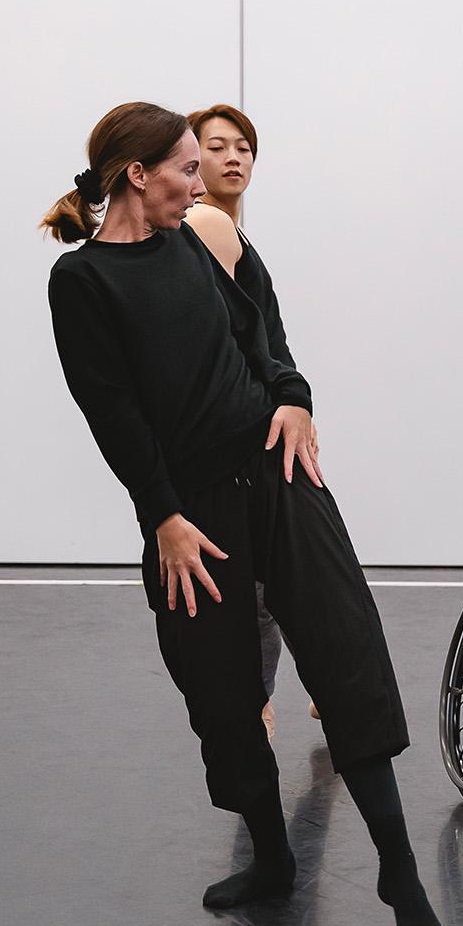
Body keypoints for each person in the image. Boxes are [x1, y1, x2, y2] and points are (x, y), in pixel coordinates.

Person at [42, 101, 439, 926]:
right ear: (136, 175)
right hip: (193, 513)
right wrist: (164, 519)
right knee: (222, 694)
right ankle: (271, 859)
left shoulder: (203, 238)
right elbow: (110, 414)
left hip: (278, 474)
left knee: (346, 656)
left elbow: (262, 328)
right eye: (187, 167)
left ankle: (398, 868)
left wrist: (293, 395)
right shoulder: (81, 283)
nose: (203, 181)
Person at [180, 102, 313, 740]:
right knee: (271, 573)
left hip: (264, 420)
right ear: (191, 158)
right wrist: (288, 394)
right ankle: (272, 695)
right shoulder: (205, 221)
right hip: (249, 430)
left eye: (245, 148)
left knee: (279, 570)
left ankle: (295, 689)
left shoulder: (225, 228)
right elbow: (244, 344)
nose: (235, 157)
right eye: (218, 146)